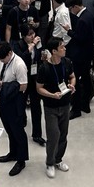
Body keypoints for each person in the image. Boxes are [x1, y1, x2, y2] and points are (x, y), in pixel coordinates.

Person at [36, 37, 75, 179]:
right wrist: (52, 95)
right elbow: (39, 88)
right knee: (54, 135)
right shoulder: (44, 68)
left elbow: (72, 77)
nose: (64, 49)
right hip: (51, 107)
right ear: (54, 51)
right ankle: (50, 162)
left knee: (63, 134)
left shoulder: (67, 62)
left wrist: (72, 85)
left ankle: (58, 159)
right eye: (61, 47)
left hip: (65, 104)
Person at [0, 41, 29, 176]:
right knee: (9, 129)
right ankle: (13, 153)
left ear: (9, 53)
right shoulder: (5, 62)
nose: (1, 61)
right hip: (4, 99)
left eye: (2, 58)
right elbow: (0, 78)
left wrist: (5, 85)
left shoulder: (19, 65)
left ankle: (21, 160)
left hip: (15, 102)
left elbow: (23, 86)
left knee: (18, 131)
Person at [63, 0, 94, 119]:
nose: (71, 11)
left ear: (75, 6)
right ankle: (85, 104)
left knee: (75, 80)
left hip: (80, 55)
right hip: (88, 53)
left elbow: (79, 38)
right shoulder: (89, 15)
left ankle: (76, 108)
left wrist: (69, 31)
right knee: (86, 78)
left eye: (71, 9)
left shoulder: (82, 20)